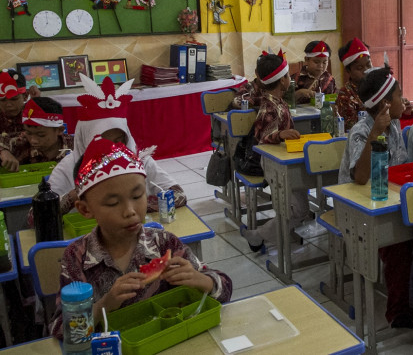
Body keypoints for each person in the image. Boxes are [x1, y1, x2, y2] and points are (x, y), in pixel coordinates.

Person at [49, 136, 231, 339]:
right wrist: (104, 305)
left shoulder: (164, 243)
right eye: (112, 203)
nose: (130, 211)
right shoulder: (77, 257)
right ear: (85, 210)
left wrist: (202, 280)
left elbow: (225, 287)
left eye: (137, 197)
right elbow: (60, 329)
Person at [339, 65, 413, 328]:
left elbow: (399, 167)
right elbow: (360, 177)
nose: (404, 99)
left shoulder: (396, 124)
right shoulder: (361, 131)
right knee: (400, 246)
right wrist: (374, 133)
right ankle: (398, 310)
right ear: (387, 103)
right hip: (359, 210)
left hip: (387, 202)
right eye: (400, 95)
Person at [46, 75, 186, 220]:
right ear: (86, 140)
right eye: (103, 142)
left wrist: (139, 205)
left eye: (119, 140)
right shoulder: (68, 168)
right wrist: (77, 193)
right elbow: (34, 216)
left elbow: (179, 194)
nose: (113, 149)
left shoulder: (140, 161)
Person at [243, 51, 302, 252]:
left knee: (300, 208)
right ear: (282, 80)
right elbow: (262, 138)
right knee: (297, 210)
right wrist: (280, 135)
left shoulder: (278, 102)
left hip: (284, 161)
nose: (290, 79)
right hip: (272, 164)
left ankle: (269, 233)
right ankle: (258, 235)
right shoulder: (269, 107)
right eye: (287, 76)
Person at [4, 97, 73, 170]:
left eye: (41, 135)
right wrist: (4, 152)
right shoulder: (20, 142)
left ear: (59, 130)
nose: (33, 141)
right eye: (29, 133)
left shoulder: (76, 147)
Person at [336, 38, 373, 131]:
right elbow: (350, 128)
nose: (366, 70)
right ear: (348, 71)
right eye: (359, 68)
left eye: (368, 65)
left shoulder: (379, 86)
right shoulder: (345, 95)